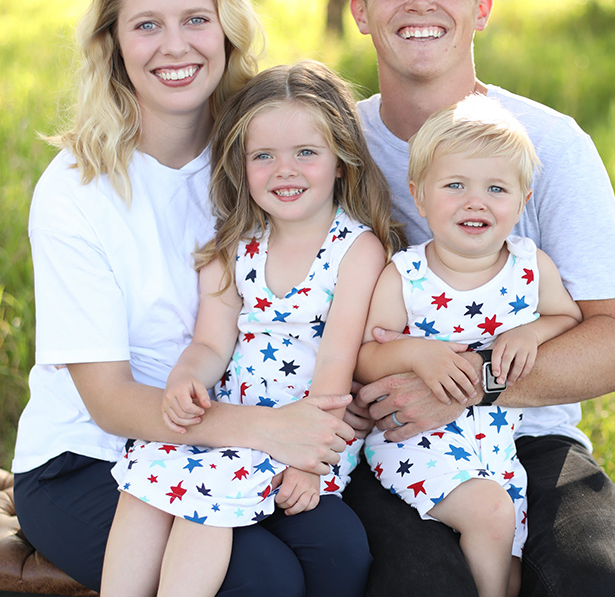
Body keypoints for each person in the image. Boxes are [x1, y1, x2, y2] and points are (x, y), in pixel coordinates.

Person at [11, 0, 359, 597]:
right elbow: (109, 402)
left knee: (339, 550)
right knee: (263, 580)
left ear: (227, 29)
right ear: (111, 43)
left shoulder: (260, 159)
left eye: (196, 19)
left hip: (224, 439)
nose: (175, 46)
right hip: (88, 456)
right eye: (147, 25)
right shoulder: (76, 190)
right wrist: (275, 430)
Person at [342, 0, 615, 596]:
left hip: (531, 435)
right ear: (360, 12)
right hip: (392, 445)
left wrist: (468, 387)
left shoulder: (550, 144)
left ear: (481, 8)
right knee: (420, 586)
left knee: (607, 585)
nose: (421, 3)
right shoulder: (333, 151)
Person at [101, 60, 403, 597]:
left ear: (341, 162)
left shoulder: (355, 250)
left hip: (308, 434)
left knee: (205, 506)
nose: (284, 170)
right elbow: (211, 341)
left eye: (306, 152)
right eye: (263, 156)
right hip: (231, 422)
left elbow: (338, 361)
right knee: (143, 480)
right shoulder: (236, 246)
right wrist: (186, 379)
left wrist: (310, 460)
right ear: (241, 166)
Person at [356, 95, 582, 597]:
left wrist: (530, 332)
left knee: (510, 557)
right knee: (490, 515)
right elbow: (366, 356)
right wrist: (415, 353)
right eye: (454, 185)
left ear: (523, 201)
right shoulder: (406, 275)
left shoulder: (529, 267)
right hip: (414, 443)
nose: (474, 201)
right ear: (418, 196)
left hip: (499, 448)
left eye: (496, 188)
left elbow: (567, 317)